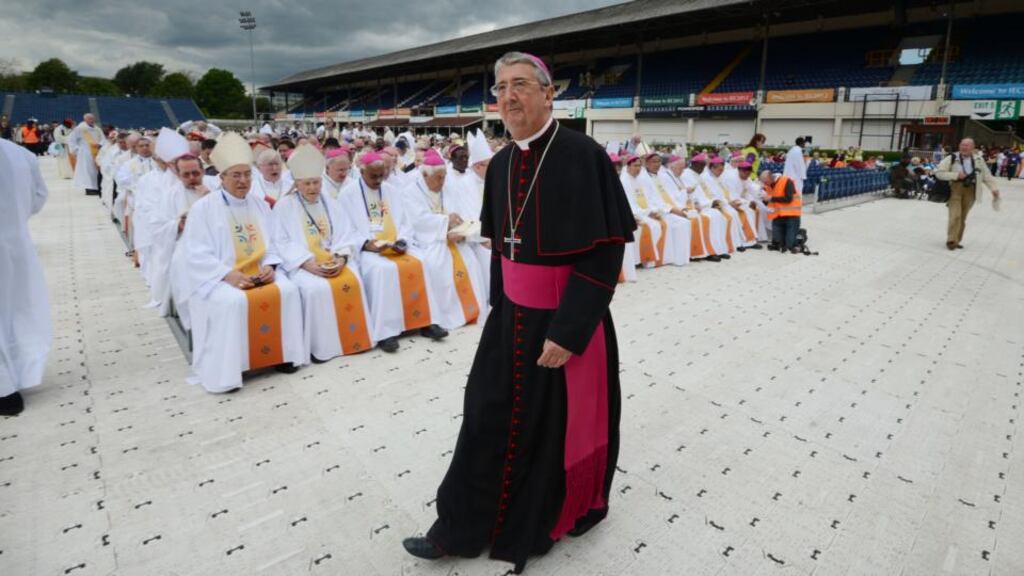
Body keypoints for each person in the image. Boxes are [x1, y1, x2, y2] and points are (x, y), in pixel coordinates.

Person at [404, 51, 635, 574]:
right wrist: (498, 311)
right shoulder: (504, 163)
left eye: (521, 85)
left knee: (548, 430)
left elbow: (605, 251)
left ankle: (541, 518)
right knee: (484, 415)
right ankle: (457, 528)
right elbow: (501, 247)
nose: (508, 97)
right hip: (510, 318)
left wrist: (570, 331)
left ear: (548, 94)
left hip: (564, 323)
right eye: (501, 87)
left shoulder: (583, 155)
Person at [180, 133, 305, 393]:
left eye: (247, 175)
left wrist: (271, 266)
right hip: (221, 277)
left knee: (289, 291)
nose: (243, 181)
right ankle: (232, 368)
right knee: (234, 301)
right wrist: (229, 275)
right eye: (236, 175)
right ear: (222, 177)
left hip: (259, 270)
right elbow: (195, 253)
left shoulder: (259, 205)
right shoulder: (205, 209)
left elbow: (273, 245)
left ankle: (283, 356)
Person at [336, 151, 448, 353]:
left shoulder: (392, 190)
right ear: (362, 172)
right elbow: (345, 229)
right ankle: (385, 332)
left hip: (395, 245)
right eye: (374, 176)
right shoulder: (347, 194)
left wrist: (403, 240)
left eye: (382, 174)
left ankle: (427, 322)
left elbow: (405, 222)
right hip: (369, 250)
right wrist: (366, 243)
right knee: (382, 270)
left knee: (421, 262)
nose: (379, 180)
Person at [274, 144, 374, 361]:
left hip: (333, 259)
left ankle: (355, 339)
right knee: (315, 289)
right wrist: (306, 262)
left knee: (353, 280)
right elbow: (280, 241)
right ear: (297, 184)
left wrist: (341, 257)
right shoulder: (284, 206)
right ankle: (323, 349)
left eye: (316, 182)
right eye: (307, 183)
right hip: (305, 264)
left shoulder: (331, 202)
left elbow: (346, 233)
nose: (312, 188)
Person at [400, 149, 489, 329]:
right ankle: (443, 316)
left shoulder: (446, 186)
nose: (443, 181)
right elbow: (418, 220)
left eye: (444, 176)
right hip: (428, 241)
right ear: (425, 175)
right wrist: (445, 223)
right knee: (436, 264)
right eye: (439, 178)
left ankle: (473, 310)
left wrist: (458, 225)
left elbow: (457, 210)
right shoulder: (410, 191)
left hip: (450, 237)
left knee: (471, 260)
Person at [0, 139, 51, 416]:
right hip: (15, 243)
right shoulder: (20, 154)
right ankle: (19, 372)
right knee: (14, 311)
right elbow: (39, 197)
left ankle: (4, 387)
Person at [935, 138, 1001, 251]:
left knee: (962, 217)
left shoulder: (979, 160)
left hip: (971, 190)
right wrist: (955, 175)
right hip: (955, 189)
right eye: (962, 145)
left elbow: (987, 176)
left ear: (973, 147)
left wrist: (994, 189)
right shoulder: (951, 158)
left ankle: (957, 240)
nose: (964, 147)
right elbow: (939, 173)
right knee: (955, 216)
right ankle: (951, 240)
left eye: (967, 145)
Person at [761, 170, 802, 252]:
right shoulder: (767, 186)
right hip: (778, 215)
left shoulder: (786, 180)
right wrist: (764, 199)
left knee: (790, 245)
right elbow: (767, 202)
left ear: (770, 177)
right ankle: (789, 235)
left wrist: (771, 198)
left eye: (765, 181)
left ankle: (801, 235)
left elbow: (788, 199)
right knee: (777, 243)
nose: (764, 184)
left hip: (792, 215)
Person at [68, 113, 105, 196]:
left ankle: (97, 187)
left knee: (96, 170)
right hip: (85, 153)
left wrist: (101, 144)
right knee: (88, 170)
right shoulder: (80, 129)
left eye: (92, 118)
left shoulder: (97, 129)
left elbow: (103, 139)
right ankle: (89, 188)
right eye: (90, 119)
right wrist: (77, 150)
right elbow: (71, 140)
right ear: (85, 119)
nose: (92, 120)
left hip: (97, 152)